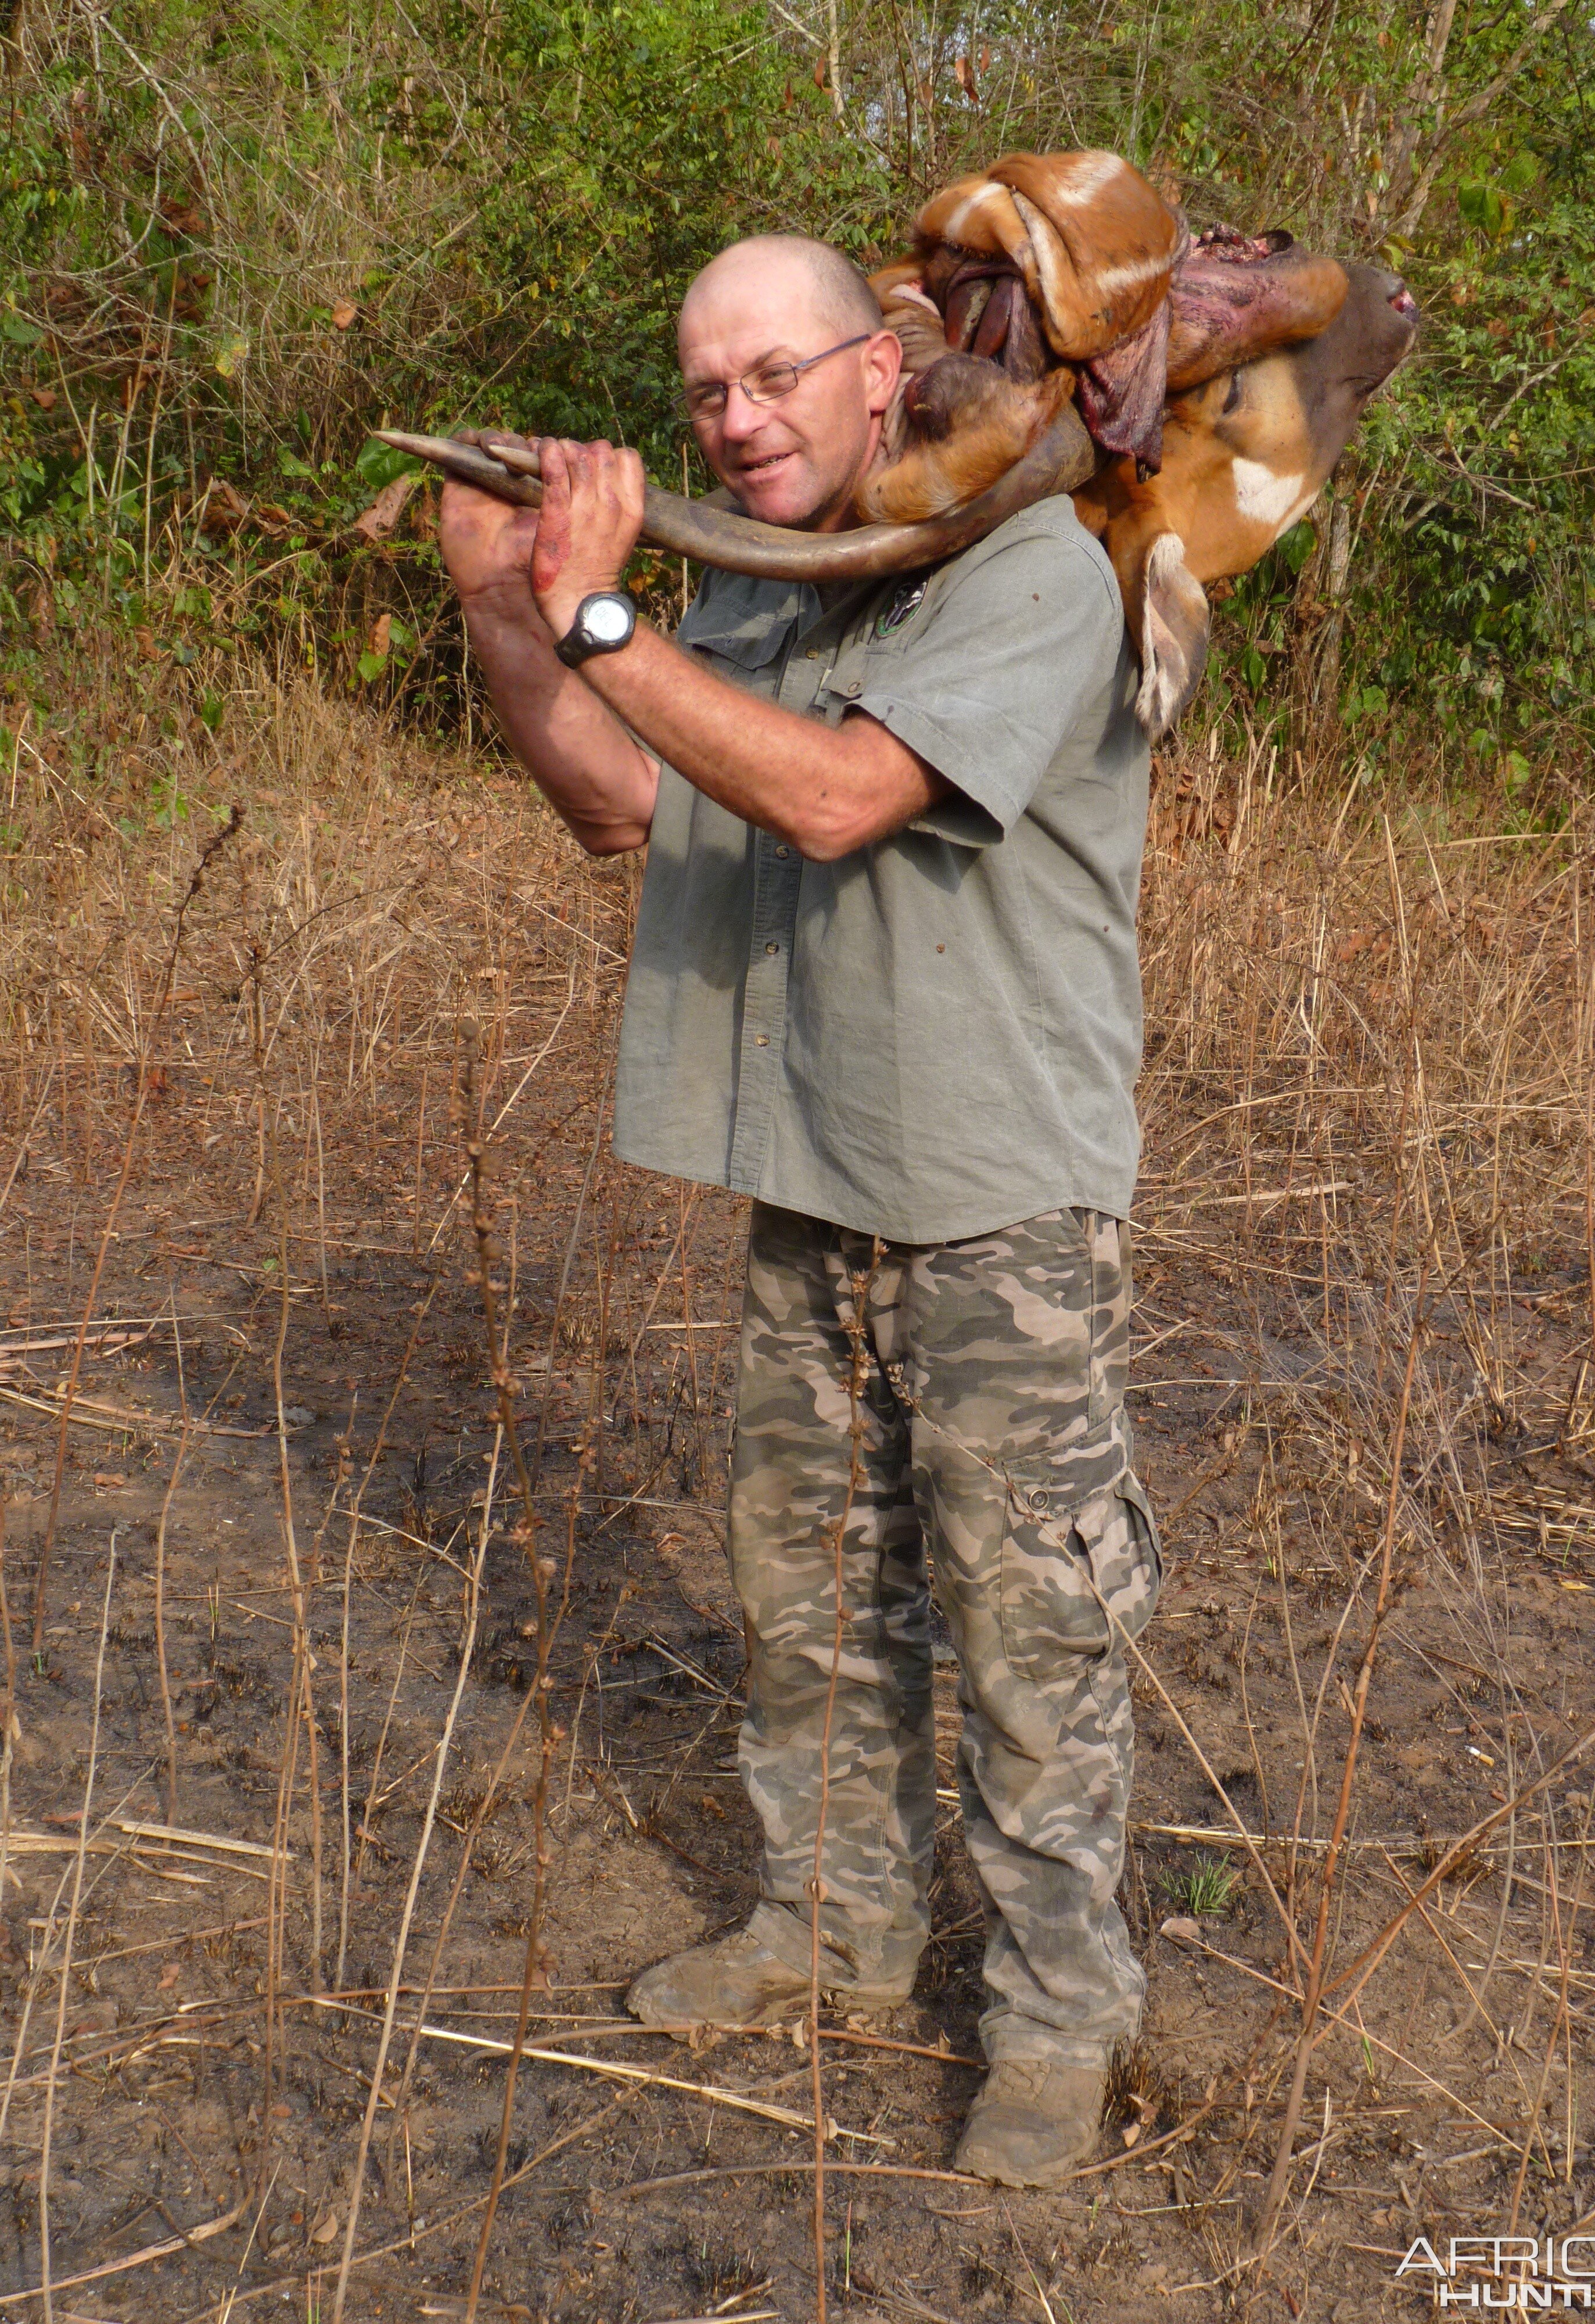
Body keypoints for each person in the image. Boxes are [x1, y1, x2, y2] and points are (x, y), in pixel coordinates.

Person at [437, 232, 1162, 2187]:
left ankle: (1055, 2017)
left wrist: (602, 620)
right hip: (813, 1165)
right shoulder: (763, 580)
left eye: (773, 377)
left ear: (883, 370)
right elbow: (623, 801)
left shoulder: (1036, 571)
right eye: (703, 392)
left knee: (1031, 1627)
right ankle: (829, 1938)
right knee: (813, 1595)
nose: (734, 420)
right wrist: (509, 608)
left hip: (996, 1193)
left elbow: (842, 797)